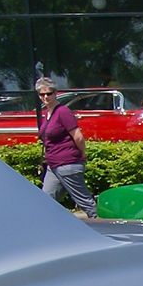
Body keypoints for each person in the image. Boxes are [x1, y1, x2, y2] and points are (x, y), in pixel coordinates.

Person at [35, 77, 97, 218]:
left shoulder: (63, 112)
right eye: (42, 94)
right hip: (53, 165)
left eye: (49, 93)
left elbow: (78, 137)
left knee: (84, 201)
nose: (45, 97)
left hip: (68, 163)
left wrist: (82, 154)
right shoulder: (47, 114)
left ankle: (101, 225)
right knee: (46, 200)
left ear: (55, 93)